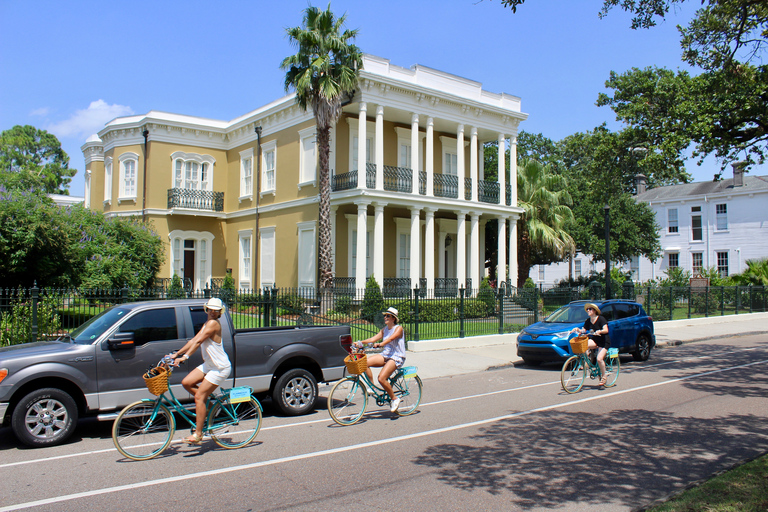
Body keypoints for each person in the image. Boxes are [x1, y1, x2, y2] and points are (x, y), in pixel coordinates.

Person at [171, 297, 232, 445]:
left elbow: (198, 343)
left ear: (219, 312)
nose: (212, 312)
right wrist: (176, 354)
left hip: (219, 367)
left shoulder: (213, 324)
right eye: (210, 309)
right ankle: (210, 406)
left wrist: (184, 357)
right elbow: (193, 340)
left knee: (199, 396)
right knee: (187, 382)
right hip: (210, 365)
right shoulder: (207, 323)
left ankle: (198, 434)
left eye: (215, 310)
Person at [354, 306, 406, 412]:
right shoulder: (384, 330)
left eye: (388, 316)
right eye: (385, 316)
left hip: (396, 356)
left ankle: (395, 399)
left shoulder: (398, 328)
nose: (385, 317)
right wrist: (360, 342)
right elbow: (373, 338)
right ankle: (372, 387)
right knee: (364, 363)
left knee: (381, 378)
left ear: (393, 318)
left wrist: (381, 344)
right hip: (386, 355)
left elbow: (392, 338)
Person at [571, 303, 611, 387]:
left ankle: (604, 376)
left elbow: (606, 330)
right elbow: (584, 330)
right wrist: (577, 330)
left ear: (595, 311)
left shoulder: (601, 319)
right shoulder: (588, 321)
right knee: (584, 345)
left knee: (599, 359)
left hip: (604, 341)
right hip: (595, 340)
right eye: (587, 309)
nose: (588, 311)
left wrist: (600, 331)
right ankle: (586, 362)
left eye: (590, 309)